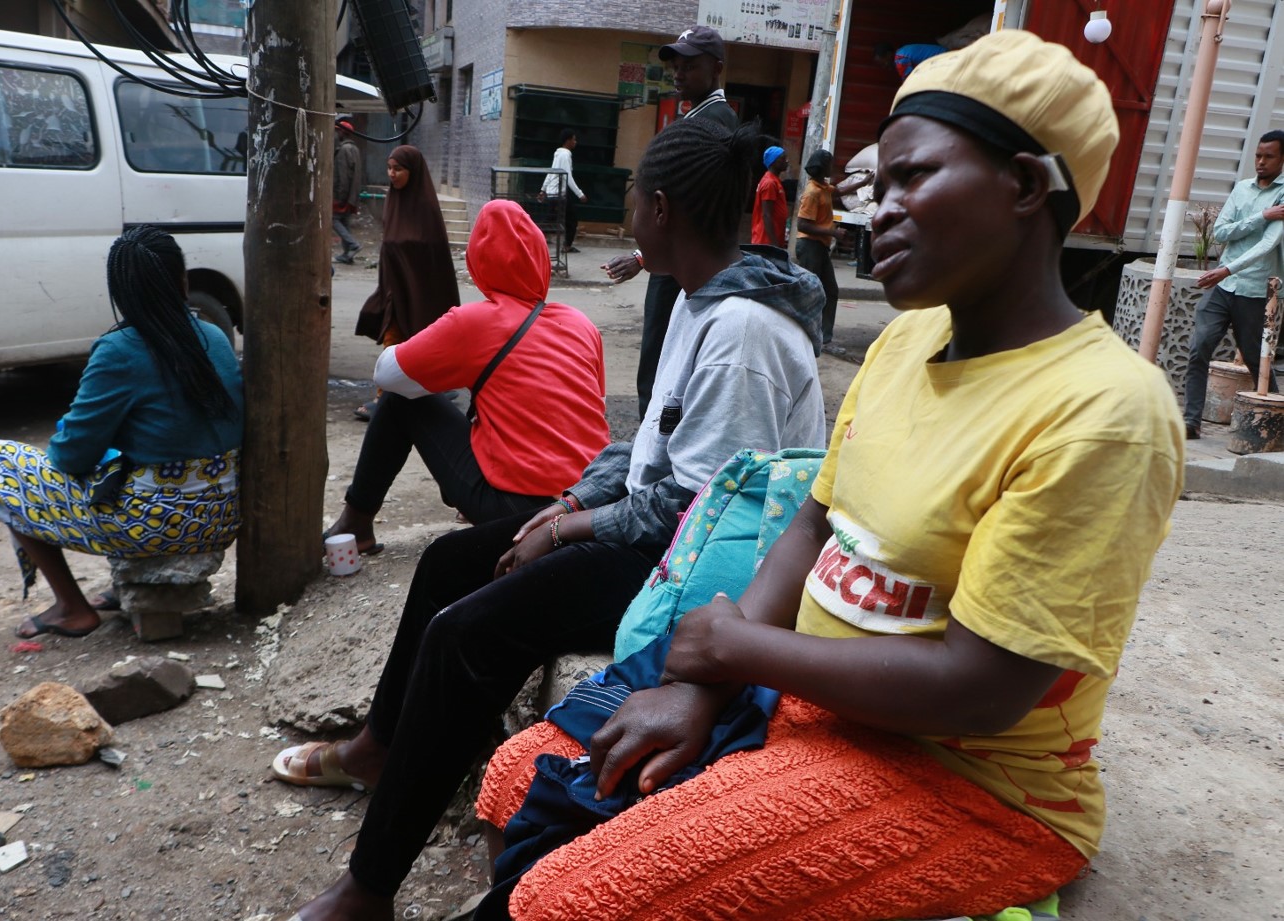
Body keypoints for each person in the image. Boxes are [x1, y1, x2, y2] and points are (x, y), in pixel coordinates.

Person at [475, 31, 1185, 921]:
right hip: (812, 709)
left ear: (1024, 185)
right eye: (874, 186)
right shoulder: (906, 342)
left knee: (566, 900)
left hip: (961, 780)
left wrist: (734, 650)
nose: (876, 211)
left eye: (912, 177)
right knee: (514, 781)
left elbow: (983, 688)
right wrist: (702, 686)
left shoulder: (1106, 412)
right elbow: (815, 521)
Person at [273, 117, 826, 921]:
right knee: (449, 562)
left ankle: (369, 887)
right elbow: (644, 443)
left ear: (660, 209)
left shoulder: (742, 331)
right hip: (660, 533)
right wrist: (568, 504)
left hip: (702, 573)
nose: (630, 213)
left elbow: (695, 510)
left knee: (471, 632)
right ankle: (381, 745)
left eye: (634, 198)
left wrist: (567, 532)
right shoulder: (699, 300)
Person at [0, 226, 244, 639]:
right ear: (184, 281)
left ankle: (71, 608)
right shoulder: (215, 336)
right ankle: (120, 587)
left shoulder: (120, 349)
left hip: (158, 522)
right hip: (221, 514)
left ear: (121, 293)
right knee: (124, 469)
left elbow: (72, 455)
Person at [322, 199, 610, 552]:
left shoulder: (475, 321)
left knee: (401, 400)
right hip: (587, 506)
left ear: (477, 260)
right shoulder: (581, 324)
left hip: (520, 514)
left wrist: (447, 362)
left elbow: (386, 373)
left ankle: (356, 522)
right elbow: (593, 407)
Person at [599, 25, 740, 419]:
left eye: (689, 66)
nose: (678, 74)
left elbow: (689, 207)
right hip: (678, 259)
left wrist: (645, 257)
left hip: (683, 264)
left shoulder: (713, 123)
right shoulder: (701, 116)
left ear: (716, 69)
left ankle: (654, 447)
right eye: (675, 66)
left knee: (662, 361)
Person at [1182, 129, 1284, 439]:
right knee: (1199, 347)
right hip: (1222, 288)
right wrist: (1262, 215)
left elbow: (1267, 245)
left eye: (1268, 156)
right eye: (1257, 155)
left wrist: (1227, 269)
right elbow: (1223, 232)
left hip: (1254, 291)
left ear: (1283, 159)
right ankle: (1191, 422)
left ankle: (1277, 423)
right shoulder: (1241, 189)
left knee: (1256, 359)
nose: (1260, 162)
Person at [353, 145, 461, 420]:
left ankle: (398, 398)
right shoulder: (393, 199)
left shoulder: (425, 207)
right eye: (390, 168)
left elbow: (431, 255)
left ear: (412, 172)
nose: (392, 174)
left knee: (413, 344)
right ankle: (385, 396)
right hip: (392, 289)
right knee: (392, 341)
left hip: (420, 292)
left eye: (398, 169)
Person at [795, 148, 845, 349]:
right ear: (822, 166)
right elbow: (802, 225)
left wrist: (864, 182)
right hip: (810, 246)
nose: (832, 167)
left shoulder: (823, 187)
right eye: (830, 164)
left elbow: (839, 191)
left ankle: (824, 337)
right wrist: (833, 233)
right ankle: (803, 334)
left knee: (830, 290)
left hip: (819, 247)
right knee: (812, 292)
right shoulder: (812, 192)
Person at [540, 128, 587, 254]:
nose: (575, 142)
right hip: (559, 194)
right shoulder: (565, 155)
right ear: (568, 140)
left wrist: (543, 189)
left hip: (553, 192)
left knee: (555, 219)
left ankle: (565, 245)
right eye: (574, 139)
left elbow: (551, 171)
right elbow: (568, 176)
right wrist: (580, 193)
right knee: (569, 220)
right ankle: (565, 246)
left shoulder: (558, 154)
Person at [331, 116, 363, 265]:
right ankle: (347, 254)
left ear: (342, 133)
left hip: (343, 195)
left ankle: (353, 244)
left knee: (333, 219)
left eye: (337, 132)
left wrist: (339, 197)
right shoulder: (354, 148)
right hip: (352, 194)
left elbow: (343, 177)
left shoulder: (344, 150)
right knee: (345, 221)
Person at [751, 145, 790, 247]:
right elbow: (766, 215)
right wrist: (774, 244)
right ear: (774, 162)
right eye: (783, 158)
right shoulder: (770, 183)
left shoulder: (774, 181)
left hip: (770, 241)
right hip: (765, 242)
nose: (787, 161)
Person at [875, 40, 948, 81]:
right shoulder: (902, 51)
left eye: (883, 62)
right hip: (943, 55)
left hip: (943, 59)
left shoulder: (900, 59)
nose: (885, 66)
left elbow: (909, 81)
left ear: (888, 54)